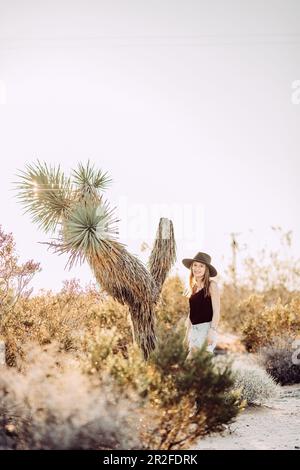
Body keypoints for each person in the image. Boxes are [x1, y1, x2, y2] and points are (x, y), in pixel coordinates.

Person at [182, 252, 220, 360]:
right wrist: (186, 335)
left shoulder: (212, 285)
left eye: (201, 266)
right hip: (194, 331)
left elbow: (217, 311)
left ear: (206, 269)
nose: (197, 268)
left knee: (198, 366)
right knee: (193, 369)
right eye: (195, 265)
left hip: (207, 329)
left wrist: (212, 331)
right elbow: (191, 313)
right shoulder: (192, 288)